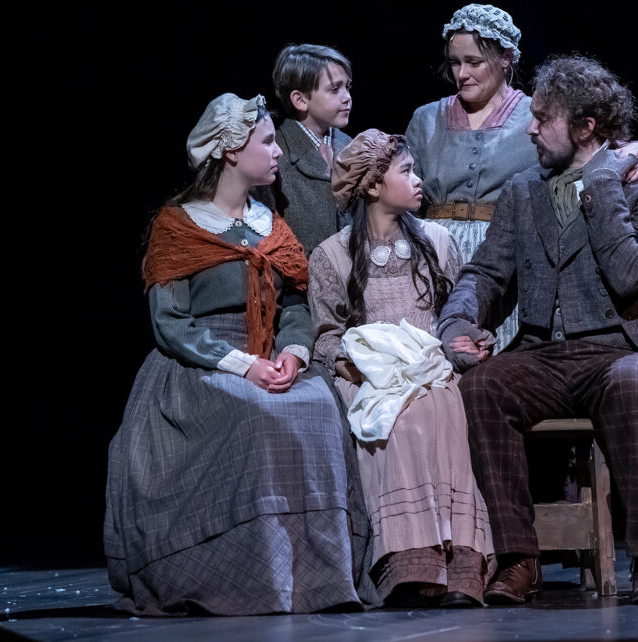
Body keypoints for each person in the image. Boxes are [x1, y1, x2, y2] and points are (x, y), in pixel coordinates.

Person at [438, 55, 638, 605]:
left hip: (614, 350)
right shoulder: (524, 191)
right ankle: (520, 560)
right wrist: (458, 320)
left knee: (637, 383)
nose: (529, 127)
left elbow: (628, 275)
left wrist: (599, 183)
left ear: (585, 126)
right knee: (484, 385)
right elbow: (487, 273)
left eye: (542, 118)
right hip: (543, 355)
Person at [104, 93, 363, 615]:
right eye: (267, 142)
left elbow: (293, 304)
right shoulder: (178, 227)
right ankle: (249, 575)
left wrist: (292, 353)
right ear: (229, 151)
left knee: (316, 405)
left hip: (272, 353)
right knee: (257, 414)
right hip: (200, 362)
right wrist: (245, 365)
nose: (278, 153)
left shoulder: (272, 225)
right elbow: (170, 323)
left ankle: (315, 578)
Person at [308, 129, 495, 607]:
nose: (419, 180)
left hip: (429, 368)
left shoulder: (438, 241)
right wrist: (350, 366)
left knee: (438, 408)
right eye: (406, 171)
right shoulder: (331, 255)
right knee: (395, 416)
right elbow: (326, 335)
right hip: (369, 376)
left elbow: (454, 314)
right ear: (372, 185)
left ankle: (459, 564)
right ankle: (409, 564)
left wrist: (468, 338)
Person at [406, 3, 638, 352]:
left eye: (473, 62)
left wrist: (634, 148)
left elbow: (596, 145)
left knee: (496, 355)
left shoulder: (537, 116)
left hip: (507, 251)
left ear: (506, 58)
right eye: (455, 63)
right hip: (434, 252)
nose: (462, 73)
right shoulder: (426, 119)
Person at [251, 44, 354, 255]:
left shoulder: (351, 146)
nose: (347, 97)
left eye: (348, 87)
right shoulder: (277, 154)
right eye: (335, 89)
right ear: (300, 100)